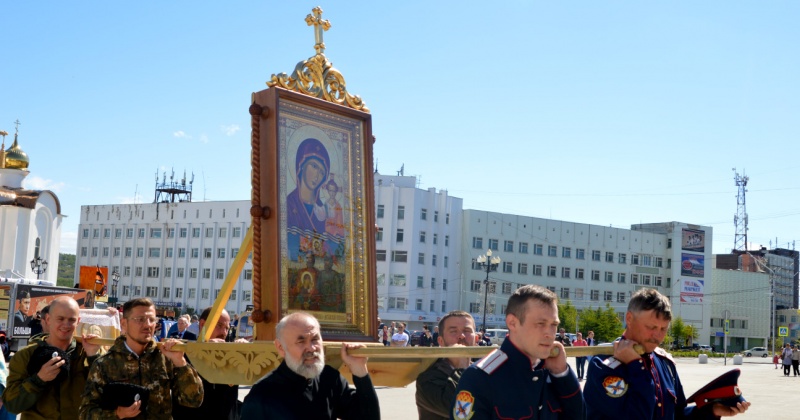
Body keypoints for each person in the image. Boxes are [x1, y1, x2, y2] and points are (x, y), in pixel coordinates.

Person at [584, 288, 750, 419]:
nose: (657, 336)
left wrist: (712, 411)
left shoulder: (664, 363)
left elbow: (677, 415)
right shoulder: (604, 366)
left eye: (663, 329)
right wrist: (636, 367)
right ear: (629, 318)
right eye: (651, 327)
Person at [453, 285, 584, 419]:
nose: (550, 334)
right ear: (512, 323)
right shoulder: (480, 378)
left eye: (554, 325)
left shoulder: (555, 373)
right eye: (540, 324)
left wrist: (561, 373)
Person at [79, 298, 203, 419]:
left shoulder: (165, 359)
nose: (148, 325)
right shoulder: (104, 364)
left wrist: (180, 362)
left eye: (152, 319)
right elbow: (85, 413)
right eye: (140, 319)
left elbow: (193, 400)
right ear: (124, 324)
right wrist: (117, 414)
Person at [240, 312, 380, 419]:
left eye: (315, 339)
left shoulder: (329, 379)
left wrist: (360, 370)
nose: (311, 348)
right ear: (281, 347)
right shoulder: (262, 395)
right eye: (301, 341)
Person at [5, 296, 102, 419]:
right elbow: (12, 405)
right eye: (60, 319)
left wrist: (93, 357)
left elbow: (106, 396)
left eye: (71, 320)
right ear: (48, 319)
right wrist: (38, 379)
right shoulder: (25, 356)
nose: (66, 325)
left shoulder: (88, 352)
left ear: (78, 321)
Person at [172, 307, 244, 420]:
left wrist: (245, 353)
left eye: (227, 328)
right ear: (202, 324)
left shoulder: (232, 355)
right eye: (219, 326)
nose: (223, 333)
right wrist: (205, 352)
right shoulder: (184, 354)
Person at [416, 311, 477, 420]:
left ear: (476, 339)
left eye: (467, 331)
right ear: (441, 341)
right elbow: (459, 412)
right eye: (453, 331)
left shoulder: (483, 372)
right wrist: (461, 368)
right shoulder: (427, 379)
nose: (461, 336)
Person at [286, 138, 330, 233]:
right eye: (314, 166)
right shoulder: (289, 204)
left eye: (322, 172)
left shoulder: (322, 209)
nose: (317, 175)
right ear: (301, 165)